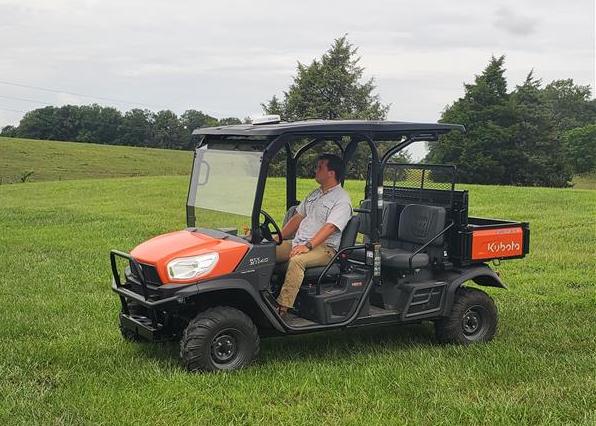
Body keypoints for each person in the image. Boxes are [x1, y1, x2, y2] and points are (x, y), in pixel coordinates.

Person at [275, 153, 352, 315]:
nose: (315, 170)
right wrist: (277, 239)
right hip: (300, 242)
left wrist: (308, 246)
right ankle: (264, 293)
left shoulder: (342, 200)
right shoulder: (314, 194)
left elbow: (330, 227)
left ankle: (282, 307)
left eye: (320, 167)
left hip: (325, 249)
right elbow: (297, 218)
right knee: (266, 251)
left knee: (297, 261)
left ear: (331, 173)